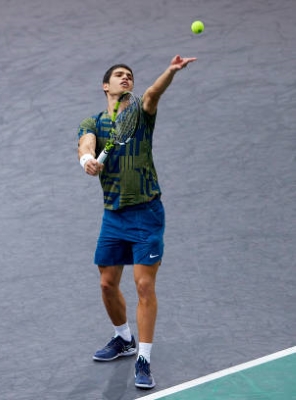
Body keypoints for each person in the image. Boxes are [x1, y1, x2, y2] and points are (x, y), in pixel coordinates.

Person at [76, 55, 197, 390]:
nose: (125, 78)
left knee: (144, 286)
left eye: (129, 75)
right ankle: (123, 338)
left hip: (146, 213)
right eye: (118, 75)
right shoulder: (94, 122)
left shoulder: (142, 115)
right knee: (106, 283)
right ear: (106, 85)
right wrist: (87, 159)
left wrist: (170, 72)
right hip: (113, 214)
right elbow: (85, 143)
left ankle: (143, 358)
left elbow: (153, 94)